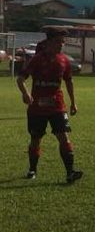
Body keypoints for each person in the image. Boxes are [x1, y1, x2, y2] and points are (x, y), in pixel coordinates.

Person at [16, 27, 83, 184]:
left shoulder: (64, 60)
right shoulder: (37, 59)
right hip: (37, 108)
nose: (61, 45)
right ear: (49, 42)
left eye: (63, 42)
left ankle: (70, 172)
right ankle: (32, 169)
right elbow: (20, 79)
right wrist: (26, 94)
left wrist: (73, 102)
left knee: (64, 137)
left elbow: (69, 81)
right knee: (35, 139)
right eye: (58, 41)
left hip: (57, 107)